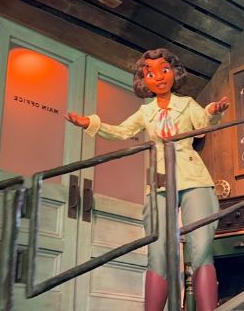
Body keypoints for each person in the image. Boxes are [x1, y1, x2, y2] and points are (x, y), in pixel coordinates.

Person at [66, 48, 229, 311]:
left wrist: (213, 110)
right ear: (144, 80)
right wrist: (90, 124)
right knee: (158, 251)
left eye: (164, 70)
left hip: (194, 177)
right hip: (160, 181)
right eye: (151, 74)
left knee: (201, 248)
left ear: (174, 73)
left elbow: (203, 122)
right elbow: (122, 131)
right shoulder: (145, 112)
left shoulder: (187, 104)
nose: (159, 77)